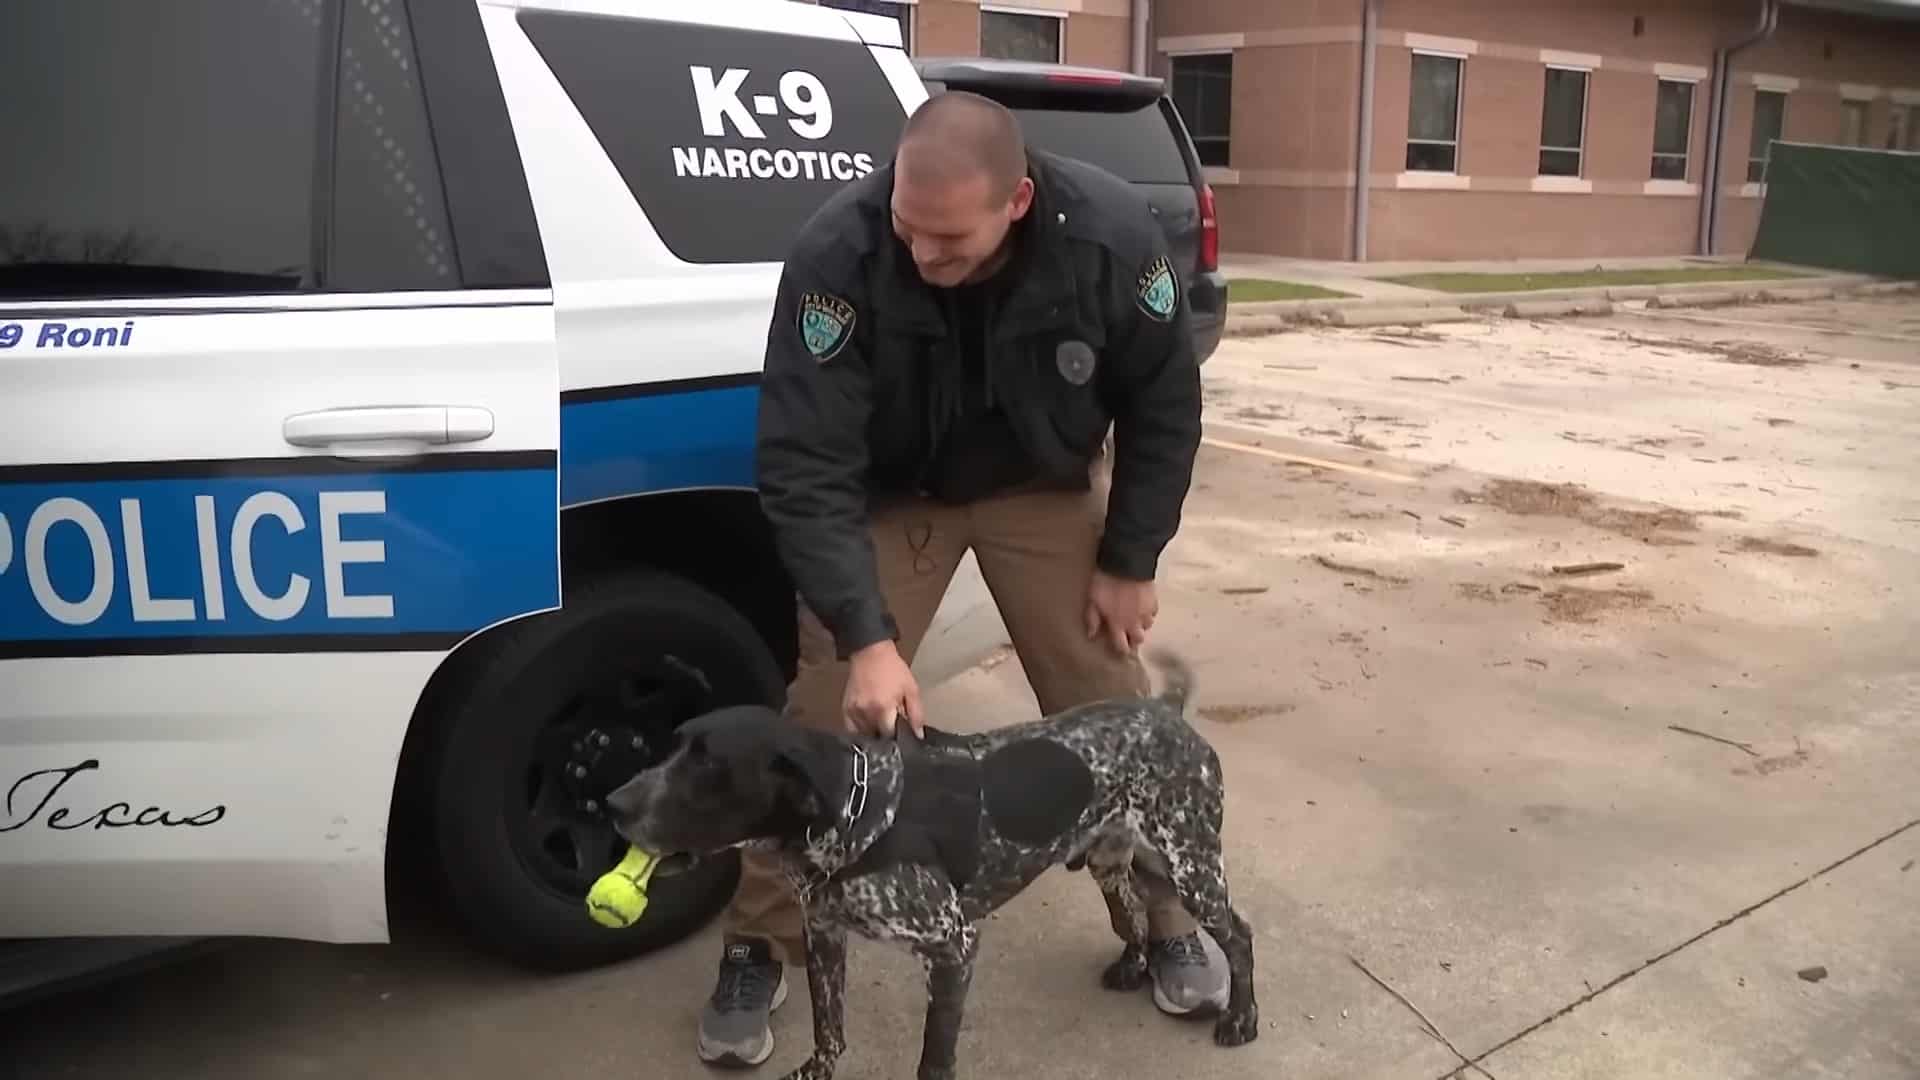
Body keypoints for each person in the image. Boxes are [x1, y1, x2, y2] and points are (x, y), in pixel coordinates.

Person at [696, 90, 1215, 1069]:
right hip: (902, 501)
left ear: (1016, 202)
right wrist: (867, 637)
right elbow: (805, 462)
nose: (922, 254)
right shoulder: (837, 256)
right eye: (907, 224)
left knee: (1110, 708)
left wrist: (1131, 557)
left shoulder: (1108, 238)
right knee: (817, 718)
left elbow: (1164, 403)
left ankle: (1166, 920)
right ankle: (760, 946)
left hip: (1041, 491)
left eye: (947, 240)